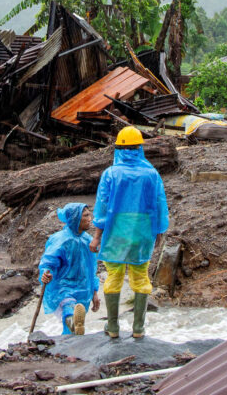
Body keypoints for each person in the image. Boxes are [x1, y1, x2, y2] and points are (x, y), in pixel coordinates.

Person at [91, 126, 169, 339]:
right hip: (142, 233)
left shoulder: (110, 174)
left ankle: (113, 328)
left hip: (115, 232)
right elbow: (160, 204)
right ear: (140, 148)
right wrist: (159, 232)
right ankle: (138, 329)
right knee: (141, 276)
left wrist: (97, 236)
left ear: (118, 149)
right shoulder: (152, 174)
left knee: (113, 276)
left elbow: (102, 207)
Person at [38, 202, 100, 335]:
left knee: (75, 320)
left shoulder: (88, 240)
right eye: (86, 216)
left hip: (83, 288)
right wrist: (45, 273)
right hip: (63, 287)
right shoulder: (60, 240)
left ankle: (71, 342)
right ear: (75, 218)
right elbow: (48, 262)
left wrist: (95, 293)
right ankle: (73, 325)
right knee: (68, 309)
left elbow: (92, 269)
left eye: (90, 215)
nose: (90, 219)